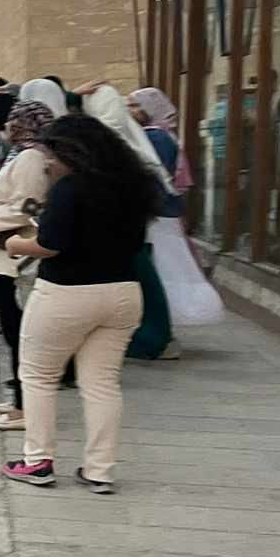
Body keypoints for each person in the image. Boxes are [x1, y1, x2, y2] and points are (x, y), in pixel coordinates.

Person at [2, 115, 162, 494]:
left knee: (38, 376)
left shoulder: (70, 188)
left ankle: (37, 460)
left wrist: (13, 244)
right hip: (123, 293)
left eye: (52, 154)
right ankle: (100, 470)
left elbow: (50, 245)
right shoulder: (133, 187)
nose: (48, 162)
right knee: (102, 384)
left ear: (74, 152)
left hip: (66, 293)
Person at [0, 99, 56, 430]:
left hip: (15, 257)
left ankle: (25, 408)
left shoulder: (31, 157)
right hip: (6, 254)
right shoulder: (24, 154)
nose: (6, 126)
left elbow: (29, 207)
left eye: (12, 120)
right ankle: (20, 399)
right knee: (13, 330)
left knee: (18, 332)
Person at [79, 84, 177, 361]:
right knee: (139, 284)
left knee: (140, 283)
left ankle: (152, 340)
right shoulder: (126, 138)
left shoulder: (116, 140)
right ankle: (150, 338)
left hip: (124, 225)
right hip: (130, 225)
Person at [128, 88, 223, 328]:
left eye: (135, 106)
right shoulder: (161, 136)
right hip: (162, 212)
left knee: (164, 267)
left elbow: (152, 176)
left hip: (157, 214)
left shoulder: (155, 138)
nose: (130, 111)